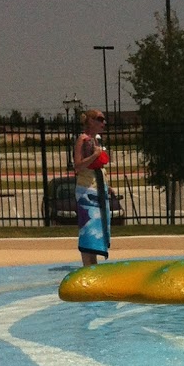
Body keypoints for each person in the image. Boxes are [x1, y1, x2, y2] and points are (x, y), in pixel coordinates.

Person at [73, 108, 111, 266]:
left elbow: (98, 167)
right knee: (89, 230)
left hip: (98, 189)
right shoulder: (82, 139)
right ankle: (88, 267)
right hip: (86, 191)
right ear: (90, 121)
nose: (103, 123)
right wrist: (95, 155)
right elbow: (78, 166)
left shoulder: (96, 140)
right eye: (99, 119)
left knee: (98, 229)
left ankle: (93, 268)